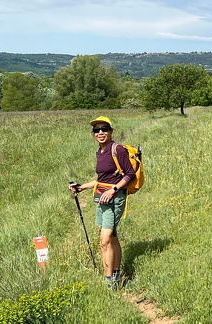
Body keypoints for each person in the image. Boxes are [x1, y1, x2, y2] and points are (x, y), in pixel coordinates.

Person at [69, 116, 135, 288]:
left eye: (104, 129)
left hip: (114, 198)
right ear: (93, 134)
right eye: (96, 130)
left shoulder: (117, 149)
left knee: (104, 241)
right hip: (102, 198)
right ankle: (116, 273)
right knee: (112, 239)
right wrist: (81, 187)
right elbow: (101, 179)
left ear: (111, 131)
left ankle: (109, 281)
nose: (100, 132)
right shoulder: (99, 152)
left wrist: (113, 190)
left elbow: (130, 174)